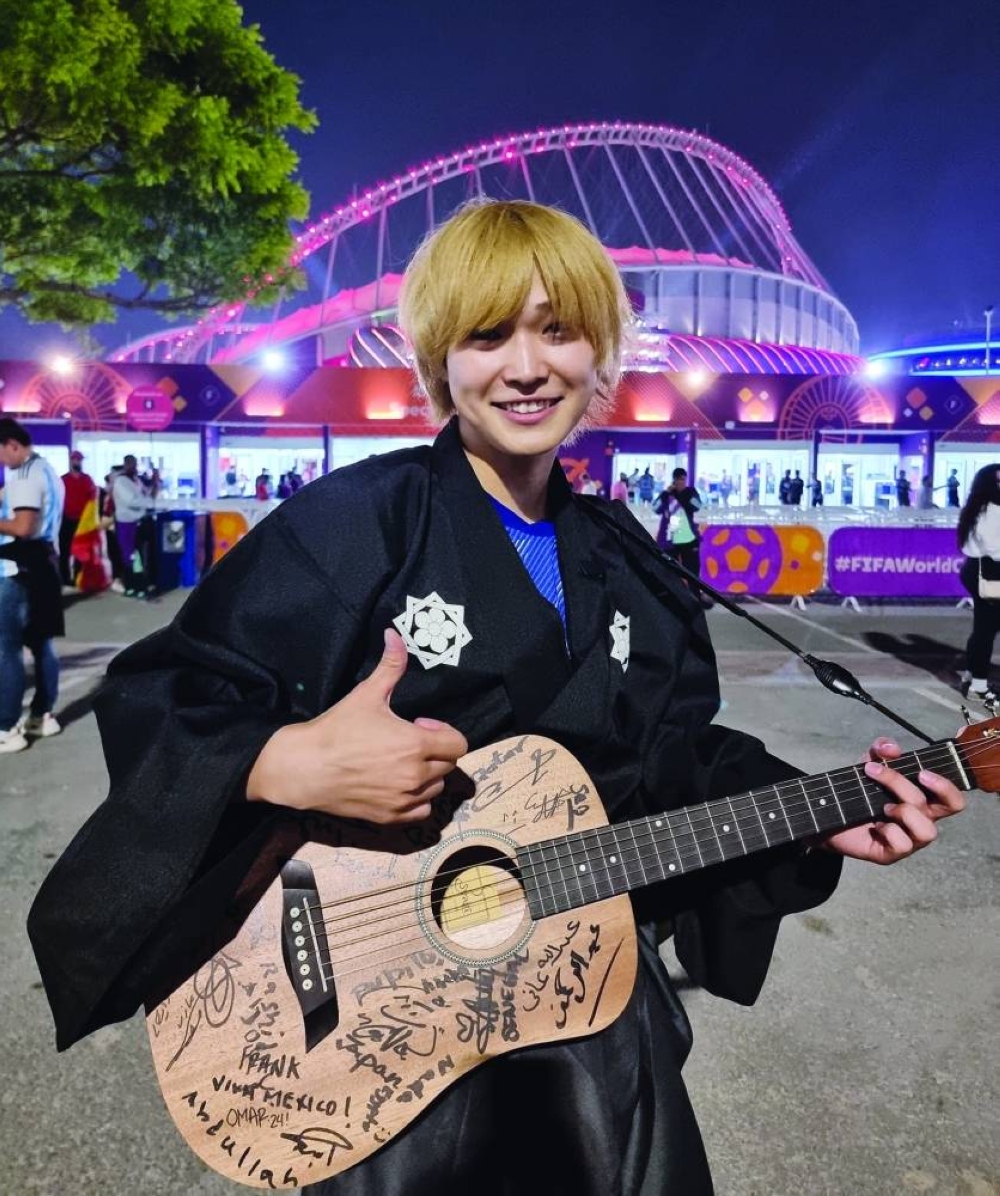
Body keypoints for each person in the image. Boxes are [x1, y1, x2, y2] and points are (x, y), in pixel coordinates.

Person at [27, 200, 966, 1195]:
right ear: (440, 356)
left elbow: (675, 758)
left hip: (588, 1018)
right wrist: (284, 758)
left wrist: (818, 820)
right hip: (383, 1032)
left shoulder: (629, 560)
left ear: (600, 350)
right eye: (487, 333)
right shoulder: (359, 520)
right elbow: (171, 683)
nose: (526, 365)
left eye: (557, 328)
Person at [0, 418, 65, 752]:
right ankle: (42, 714)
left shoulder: (23, 476)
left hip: (17, 567)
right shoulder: (48, 471)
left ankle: (7, 725)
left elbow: (24, 526)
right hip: (41, 564)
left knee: (6, 648)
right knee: (41, 644)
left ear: (12, 444)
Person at [957, 463, 1000, 703]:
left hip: (982, 571)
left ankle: (973, 675)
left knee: (985, 628)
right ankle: (979, 686)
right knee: (986, 630)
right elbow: (994, 548)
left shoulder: (981, 507)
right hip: (988, 572)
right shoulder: (989, 509)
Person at [111, 455, 154, 597]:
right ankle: (131, 586)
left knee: (138, 557)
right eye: (131, 464)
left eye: (135, 464)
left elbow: (146, 495)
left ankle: (139, 585)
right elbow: (131, 501)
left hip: (138, 523)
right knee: (129, 556)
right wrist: (146, 502)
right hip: (126, 524)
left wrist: (153, 484)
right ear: (126, 464)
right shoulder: (121, 481)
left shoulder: (136, 480)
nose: (134, 467)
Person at [654, 466, 703, 582]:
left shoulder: (690, 492)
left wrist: (687, 496)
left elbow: (698, 506)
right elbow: (655, 508)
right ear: (674, 480)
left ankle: (694, 596)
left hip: (689, 538)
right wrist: (666, 493)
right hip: (671, 539)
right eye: (678, 479)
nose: (681, 482)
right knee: (670, 573)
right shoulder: (667, 494)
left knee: (692, 571)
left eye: (683, 479)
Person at [58, 450, 96, 588]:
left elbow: (92, 499)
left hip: (82, 521)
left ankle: (78, 578)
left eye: (79, 460)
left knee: (81, 551)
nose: (77, 462)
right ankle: (65, 578)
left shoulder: (87, 480)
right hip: (66, 519)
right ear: (71, 461)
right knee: (65, 551)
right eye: (75, 460)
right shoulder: (63, 480)